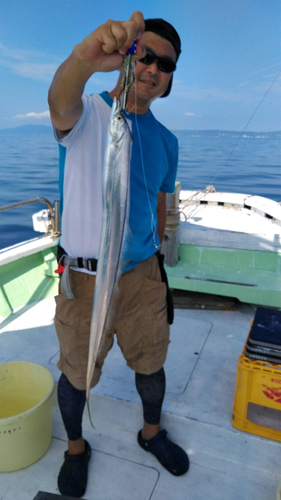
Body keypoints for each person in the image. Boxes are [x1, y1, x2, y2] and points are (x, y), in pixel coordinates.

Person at [48, 10, 189, 498]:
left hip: (142, 277)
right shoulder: (89, 115)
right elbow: (59, 100)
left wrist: (156, 248)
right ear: (129, 59)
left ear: (170, 78)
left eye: (164, 64)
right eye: (144, 54)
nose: (152, 67)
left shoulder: (168, 141)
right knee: (77, 371)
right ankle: (75, 447)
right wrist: (83, 60)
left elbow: (159, 198)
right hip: (86, 278)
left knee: (151, 361)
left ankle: (151, 433)